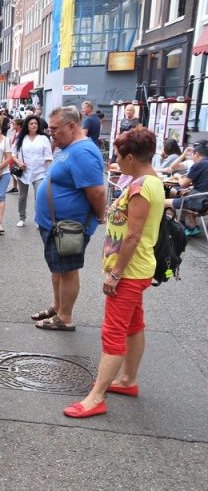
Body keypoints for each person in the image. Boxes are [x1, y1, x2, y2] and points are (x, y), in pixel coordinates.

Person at [64, 128, 164, 418]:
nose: (116, 162)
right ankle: (127, 379)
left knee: (114, 331)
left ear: (131, 157)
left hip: (131, 271)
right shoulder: (151, 181)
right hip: (138, 268)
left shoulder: (141, 187)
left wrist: (116, 273)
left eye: (118, 157)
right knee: (133, 325)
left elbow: (133, 236)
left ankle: (96, 397)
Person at [33, 106, 106, 330]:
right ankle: (58, 306)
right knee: (58, 268)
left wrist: (100, 216)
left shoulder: (83, 152)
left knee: (67, 270)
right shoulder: (70, 147)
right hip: (55, 224)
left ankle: (65, 318)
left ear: (71, 126)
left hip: (68, 227)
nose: (50, 133)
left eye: (55, 129)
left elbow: (97, 192)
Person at [13, 116, 53, 227]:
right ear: (27, 125)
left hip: (40, 172)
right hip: (23, 172)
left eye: (36, 123)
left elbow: (48, 157)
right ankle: (22, 218)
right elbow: (13, 154)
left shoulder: (44, 138)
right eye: (31, 123)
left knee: (39, 196)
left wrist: (50, 172)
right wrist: (19, 163)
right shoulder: (21, 138)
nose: (34, 125)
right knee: (22, 196)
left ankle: (38, 219)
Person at [165, 140, 208, 236]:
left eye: (192, 156)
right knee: (183, 195)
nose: (192, 159)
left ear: (196, 154)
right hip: (204, 201)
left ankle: (181, 229)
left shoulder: (198, 165)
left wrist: (178, 176)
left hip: (198, 201)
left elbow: (183, 184)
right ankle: (193, 227)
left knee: (163, 202)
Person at [6, 118, 23, 193]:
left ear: (19, 126)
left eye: (15, 124)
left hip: (16, 155)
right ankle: (15, 187)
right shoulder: (17, 132)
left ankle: (20, 187)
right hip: (13, 153)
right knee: (13, 169)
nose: (13, 125)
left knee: (13, 170)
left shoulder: (21, 133)